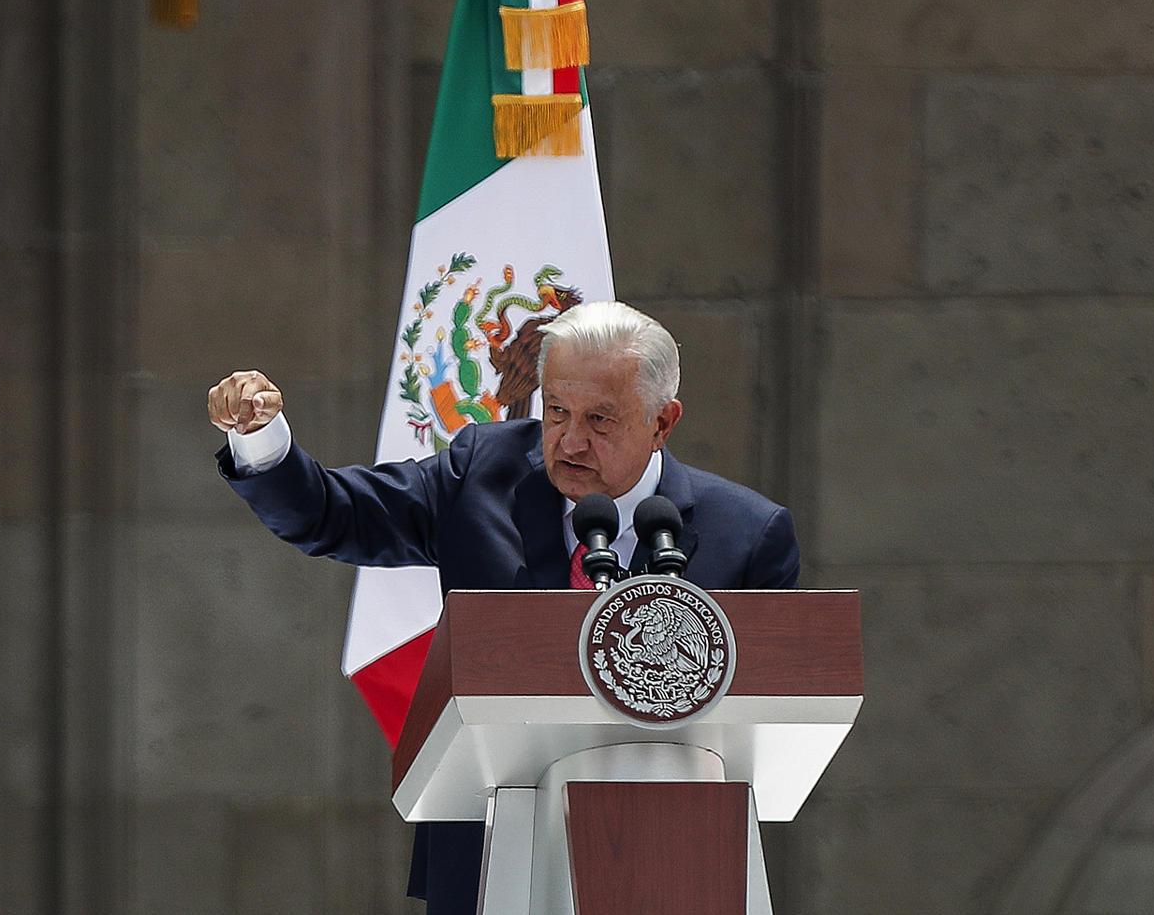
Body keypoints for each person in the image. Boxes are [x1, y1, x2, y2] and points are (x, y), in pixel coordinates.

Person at [206, 300, 799, 915]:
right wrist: (261, 443)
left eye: (599, 419)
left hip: (671, 860)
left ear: (662, 422)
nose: (569, 441)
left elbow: (774, 719)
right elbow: (334, 514)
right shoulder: (481, 474)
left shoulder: (747, 537)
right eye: (556, 412)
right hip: (490, 853)